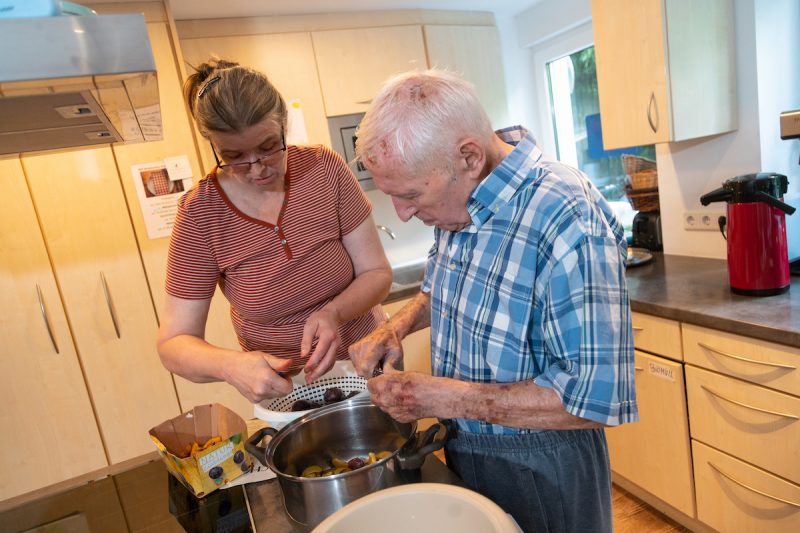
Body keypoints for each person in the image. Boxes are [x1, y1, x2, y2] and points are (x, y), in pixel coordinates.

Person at [349, 69, 638, 532]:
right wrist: (396, 326)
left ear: (468, 155)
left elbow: (591, 399)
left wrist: (445, 397)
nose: (402, 213)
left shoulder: (567, 214)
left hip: (545, 462)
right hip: (468, 442)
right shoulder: (458, 200)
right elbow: (439, 287)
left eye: (409, 195)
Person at [156, 59, 392, 403]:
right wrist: (229, 365)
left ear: (284, 125)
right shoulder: (200, 215)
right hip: (286, 390)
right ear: (212, 146)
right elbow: (173, 344)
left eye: (268, 147)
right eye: (234, 156)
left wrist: (333, 312)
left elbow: (377, 272)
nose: (257, 169)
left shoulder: (323, 168)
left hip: (365, 362)